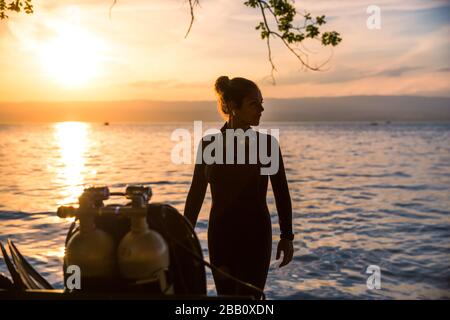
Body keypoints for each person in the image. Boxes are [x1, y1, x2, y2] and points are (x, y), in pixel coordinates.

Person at [183, 76, 294, 298]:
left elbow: (281, 192)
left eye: (261, 103)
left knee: (250, 300)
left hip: (256, 235)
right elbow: (196, 194)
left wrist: (287, 236)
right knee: (227, 300)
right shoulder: (209, 145)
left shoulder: (267, 145)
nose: (261, 109)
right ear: (233, 106)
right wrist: (183, 236)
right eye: (254, 103)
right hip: (221, 236)